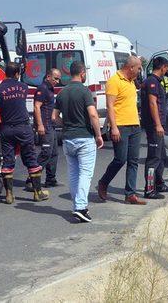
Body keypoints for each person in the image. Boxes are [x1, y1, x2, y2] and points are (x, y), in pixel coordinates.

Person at [52, 61, 104, 223]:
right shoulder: (84, 91)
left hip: (68, 138)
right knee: (85, 174)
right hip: (84, 137)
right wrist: (98, 135)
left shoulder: (62, 93)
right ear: (82, 73)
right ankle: (81, 207)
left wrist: (66, 125)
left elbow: (54, 117)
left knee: (74, 173)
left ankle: (77, 206)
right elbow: (93, 115)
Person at [0, 62, 48, 204]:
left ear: (5, 72)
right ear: (17, 74)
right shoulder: (23, 87)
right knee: (31, 159)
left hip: (7, 129)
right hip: (23, 128)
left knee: (8, 161)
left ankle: (9, 195)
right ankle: (37, 192)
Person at [97, 56, 146, 204]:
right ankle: (104, 182)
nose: (139, 71)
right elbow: (110, 106)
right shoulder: (114, 81)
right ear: (131, 67)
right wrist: (114, 127)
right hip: (121, 127)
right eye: (138, 68)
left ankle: (130, 194)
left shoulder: (131, 82)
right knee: (120, 159)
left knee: (133, 160)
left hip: (135, 126)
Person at [141, 57, 168, 199]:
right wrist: (158, 124)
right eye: (167, 68)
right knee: (154, 158)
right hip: (155, 126)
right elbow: (153, 104)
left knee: (161, 156)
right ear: (162, 67)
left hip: (159, 125)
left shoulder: (156, 82)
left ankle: (159, 183)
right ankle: (149, 189)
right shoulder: (152, 82)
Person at [30, 68, 62, 190]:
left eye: (59, 79)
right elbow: (37, 107)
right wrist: (40, 125)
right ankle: (32, 179)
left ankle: (50, 179)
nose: (57, 81)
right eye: (55, 78)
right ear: (48, 77)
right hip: (45, 126)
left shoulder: (50, 88)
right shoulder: (42, 88)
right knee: (46, 153)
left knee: (54, 153)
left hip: (51, 125)